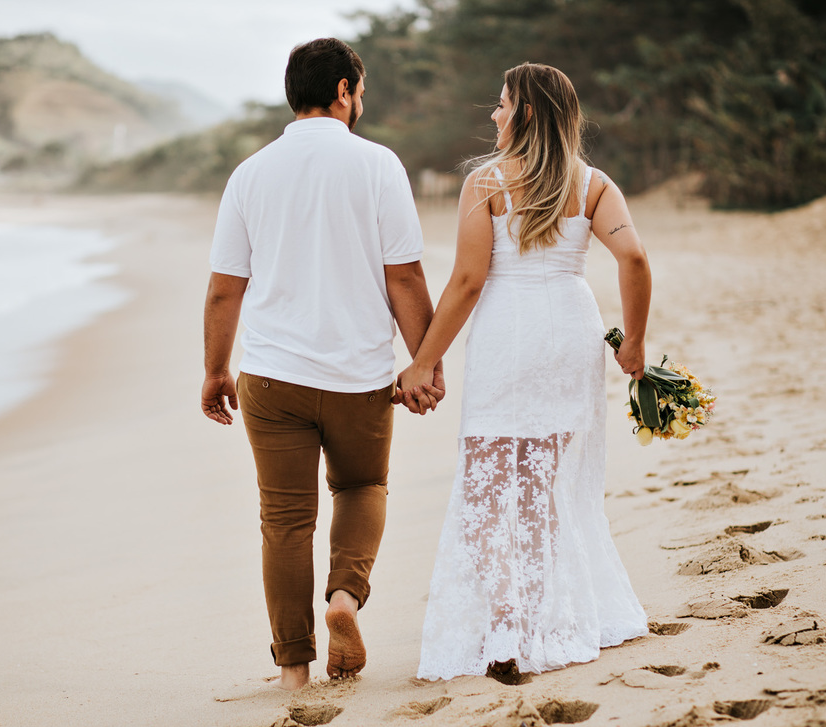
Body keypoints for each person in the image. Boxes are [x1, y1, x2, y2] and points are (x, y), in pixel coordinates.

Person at [202, 38, 441, 690]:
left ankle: (293, 670)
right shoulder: (378, 165)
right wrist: (424, 362)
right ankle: (343, 598)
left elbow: (226, 287)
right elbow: (406, 276)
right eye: (360, 90)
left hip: (273, 377)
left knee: (283, 520)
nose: (361, 101)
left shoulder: (250, 173)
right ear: (343, 89)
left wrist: (216, 369)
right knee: (362, 488)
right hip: (358, 377)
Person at [399, 63, 651, 682]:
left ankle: (506, 620)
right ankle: (536, 614)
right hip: (570, 332)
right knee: (539, 486)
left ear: (528, 112)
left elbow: (466, 280)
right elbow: (635, 259)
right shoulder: (593, 186)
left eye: (503, 104)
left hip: (509, 337)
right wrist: (635, 344)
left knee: (488, 487)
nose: (494, 115)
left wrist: (424, 360)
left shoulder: (486, 183)